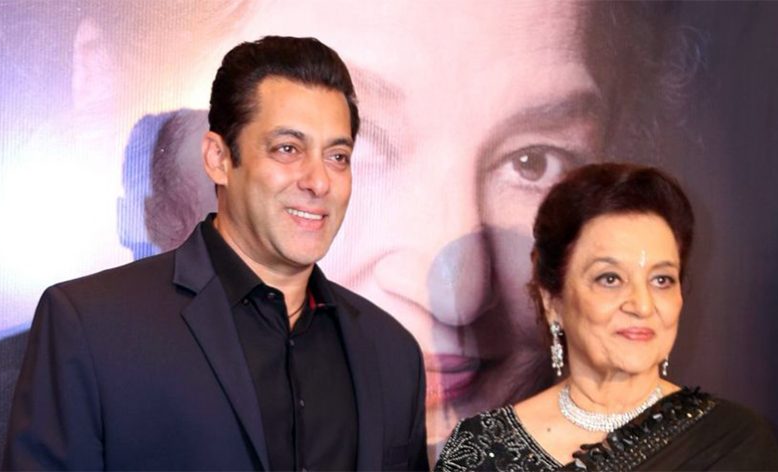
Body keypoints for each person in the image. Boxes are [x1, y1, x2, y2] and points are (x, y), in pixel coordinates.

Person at [103, 3, 695, 457]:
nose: (460, 294)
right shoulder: (93, 360)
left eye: (532, 162)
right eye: (353, 149)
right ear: (210, 160)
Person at [4, 36, 428, 470]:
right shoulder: (93, 327)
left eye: (337, 156)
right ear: (218, 158)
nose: (319, 182)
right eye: (288, 149)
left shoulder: (391, 351)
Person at [434, 163, 778, 471]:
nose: (642, 305)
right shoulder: (479, 451)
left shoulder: (731, 443)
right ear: (553, 301)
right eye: (610, 279)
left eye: (662, 280)